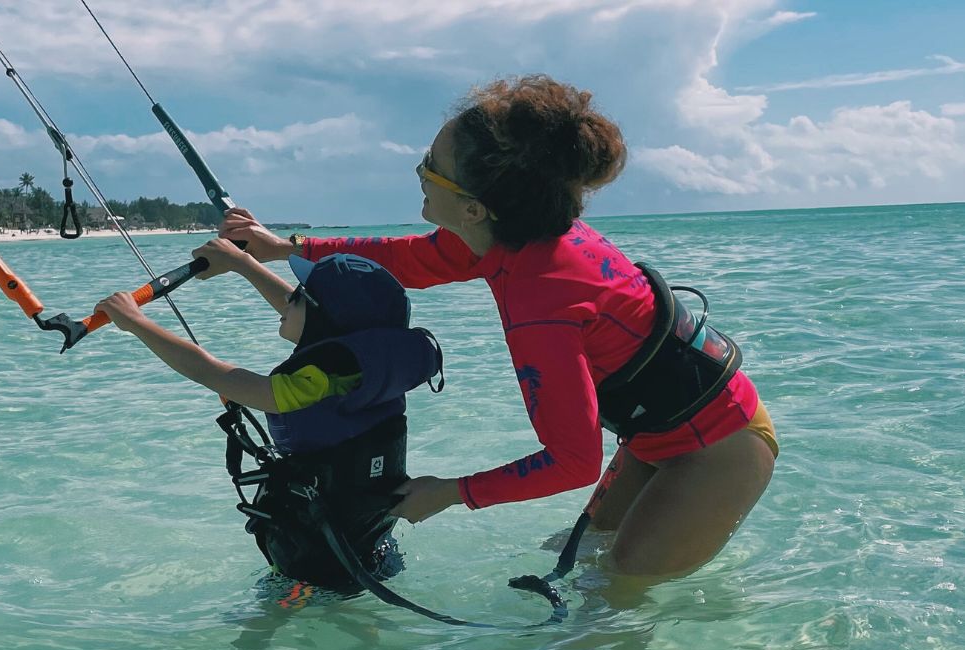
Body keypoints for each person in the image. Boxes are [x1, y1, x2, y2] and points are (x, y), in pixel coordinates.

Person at [217, 74, 778, 579]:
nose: (419, 173)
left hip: (721, 450)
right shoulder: (513, 235)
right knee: (576, 557)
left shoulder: (544, 301)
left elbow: (573, 462)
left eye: (430, 166)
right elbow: (407, 259)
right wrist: (284, 246)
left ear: (474, 209)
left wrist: (450, 493)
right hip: (657, 436)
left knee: (618, 589)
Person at [95, 240, 443, 587]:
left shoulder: (305, 387)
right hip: (370, 547)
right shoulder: (355, 375)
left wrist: (135, 321)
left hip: (316, 568)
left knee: (259, 629)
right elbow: (317, 318)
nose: (287, 299)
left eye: (298, 295)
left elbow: (207, 371)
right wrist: (241, 262)